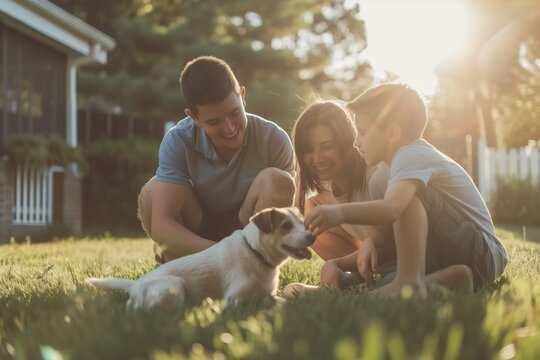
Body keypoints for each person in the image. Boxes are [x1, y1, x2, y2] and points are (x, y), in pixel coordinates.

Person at [303, 83, 508, 297]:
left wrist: (340, 212)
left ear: (392, 133)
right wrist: (352, 254)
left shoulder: (412, 155)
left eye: (362, 133)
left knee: (408, 198)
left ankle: (407, 282)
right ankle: (452, 279)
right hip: (453, 256)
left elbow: (392, 209)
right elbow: (386, 231)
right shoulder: (382, 177)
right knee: (386, 275)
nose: (356, 143)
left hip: (481, 251)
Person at [137, 56, 295, 263]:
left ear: (242, 96)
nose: (229, 128)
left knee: (279, 180)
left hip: (248, 229)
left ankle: (256, 265)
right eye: (214, 122)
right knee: (152, 192)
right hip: (198, 227)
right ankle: (183, 264)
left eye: (235, 113)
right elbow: (162, 224)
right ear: (194, 117)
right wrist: (223, 251)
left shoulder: (273, 138)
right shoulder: (177, 140)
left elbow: (289, 215)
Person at [284, 99, 394, 297]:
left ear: (347, 143)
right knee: (312, 214)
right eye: (308, 150)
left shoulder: (375, 175)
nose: (317, 159)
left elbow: (394, 240)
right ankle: (357, 278)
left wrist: (337, 263)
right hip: (376, 261)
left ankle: (367, 282)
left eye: (327, 146)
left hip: (406, 257)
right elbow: (298, 218)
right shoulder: (321, 192)